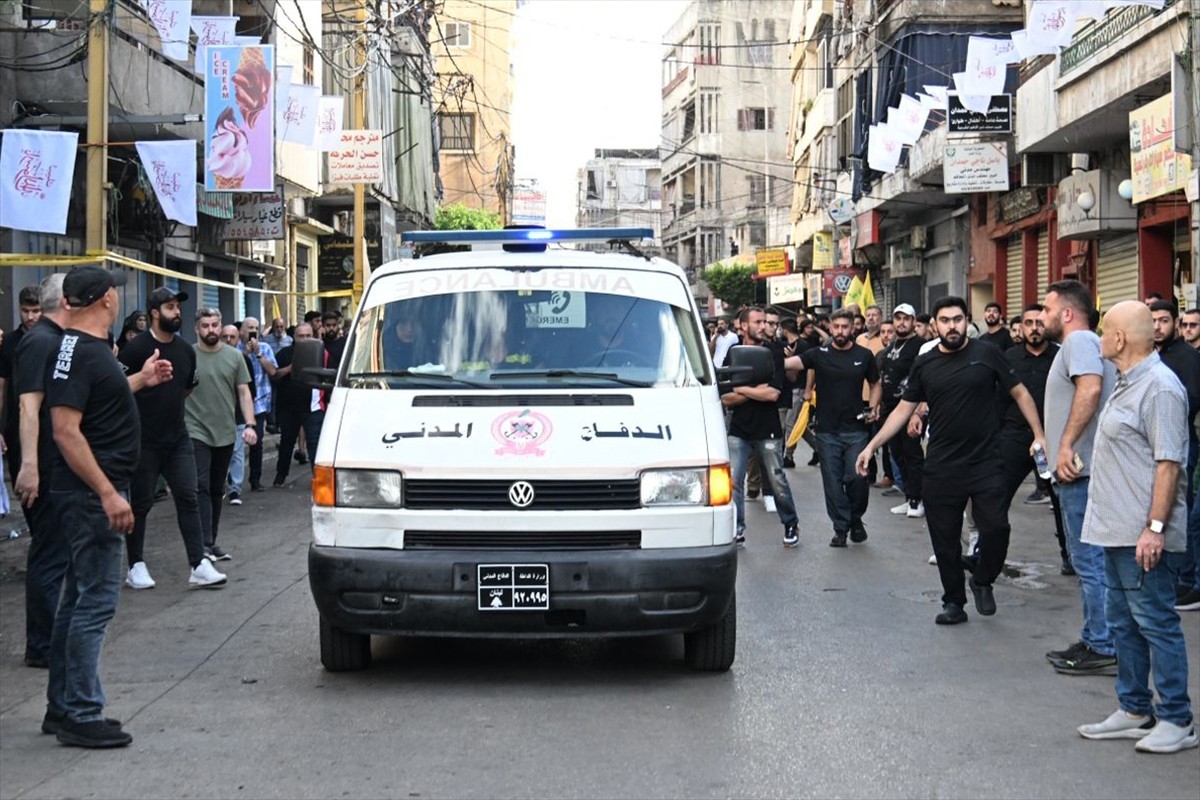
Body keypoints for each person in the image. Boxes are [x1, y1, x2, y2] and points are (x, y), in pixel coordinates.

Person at [855, 296, 1046, 625]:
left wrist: (1039, 434)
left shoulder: (987, 354)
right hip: (943, 464)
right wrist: (872, 445)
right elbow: (903, 407)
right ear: (935, 326)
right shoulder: (926, 363)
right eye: (945, 321)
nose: (952, 326)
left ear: (966, 321)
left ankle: (982, 578)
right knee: (944, 538)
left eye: (957, 319)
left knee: (997, 528)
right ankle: (953, 601)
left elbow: (1020, 392)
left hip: (987, 461)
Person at [44, 265, 170, 748]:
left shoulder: (82, 351)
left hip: (85, 491)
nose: (118, 297)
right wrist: (107, 492)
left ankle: (63, 705)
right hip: (90, 494)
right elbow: (65, 430)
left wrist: (140, 380)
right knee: (94, 603)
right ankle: (80, 711)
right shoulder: (83, 354)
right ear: (104, 301)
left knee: (77, 600)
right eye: (114, 290)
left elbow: (94, 403)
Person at [1076, 300, 1197, 754]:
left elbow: (1170, 464)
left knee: (1155, 623)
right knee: (1124, 624)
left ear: (1120, 339)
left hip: (1141, 535)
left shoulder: (1161, 388)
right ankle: (1133, 709)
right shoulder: (1128, 382)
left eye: (1105, 330)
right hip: (1114, 530)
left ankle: (1177, 719)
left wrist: (1155, 527)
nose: (1100, 337)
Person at [118, 287, 226, 589]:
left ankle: (198, 564)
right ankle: (135, 565)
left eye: (177, 307)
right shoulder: (136, 349)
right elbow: (115, 388)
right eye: (169, 307)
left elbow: (188, 387)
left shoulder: (185, 351)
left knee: (189, 497)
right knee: (140, 504)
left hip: (177, 438)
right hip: (142, 440)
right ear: (154, 313)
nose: (176, 312)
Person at [1040, 280, 1119, 675]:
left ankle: (1102, 644)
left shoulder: (1079, 342)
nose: (1042, 317)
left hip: (1081, 472)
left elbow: (1090, 389)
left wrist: (1066, 446)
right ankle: (1095, 636)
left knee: (1090, 562)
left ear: (1067, 314)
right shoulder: (1080, 344)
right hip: (1079, 472)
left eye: (1048, 310)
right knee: (1089, 561)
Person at [12, 276, 71, 669]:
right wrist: (29, 466)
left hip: (55, 464)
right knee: (49, 555)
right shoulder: (40, 341)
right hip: (45, 467)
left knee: (56, 554)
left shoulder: (55, 341)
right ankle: (42, 644)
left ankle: (49, 639)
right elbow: (27, 407)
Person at [789, 310, 880, 547]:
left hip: (857, 430)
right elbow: (793, 363)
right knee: (832, 481)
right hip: (827, 430)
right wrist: (767, 357)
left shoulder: (864, 355)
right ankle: (841, 528)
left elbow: (875, 383)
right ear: (830, 328)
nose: (840, 331)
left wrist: (873, 406)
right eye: (836, 326)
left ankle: (856, 518)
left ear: (853, 328)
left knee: (857, 478)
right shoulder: (819, 354)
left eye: (845, 327)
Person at [998, 305, 1071, 578]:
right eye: (1028, 323)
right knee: (997, 496)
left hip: (1055, 439)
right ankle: (991, 554)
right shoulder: (1009, 357)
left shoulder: (1061, 357)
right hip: (1015, 437)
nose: (1034, 328)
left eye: (1039, 323)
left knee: (1062, 500)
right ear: (1021, 327)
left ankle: (1070, 555)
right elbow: (998, 399)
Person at [722, 306, 801, 547]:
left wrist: (742, 389)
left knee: (777, 480)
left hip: (768, 429)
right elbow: (725, 398)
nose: (763, 325)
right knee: (734, 483)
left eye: (765, 321)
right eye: (757, 322)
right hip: (739, 429)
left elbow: (773, 394)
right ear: (743, 326)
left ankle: (790, 522)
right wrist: (755, 390)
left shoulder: (774, 352)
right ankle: (737, 529)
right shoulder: (734, 353)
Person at [186, 309, 258, 559]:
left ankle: (211, 541)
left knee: (217, 489)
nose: (211, 330)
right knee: (201, 485)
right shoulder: (188, 355)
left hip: (225, 431)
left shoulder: (234, 357)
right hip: (194, 430)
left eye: (215, 325)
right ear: (197, 329)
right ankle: (203, 543)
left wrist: (250, 424)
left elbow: (244, 393)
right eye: (205, 326)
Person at [1148, 300, 1200, 610]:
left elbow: (1191, 399)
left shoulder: (1186, 357)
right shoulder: (1154, 354)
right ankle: (1182, 577)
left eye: (1164, 320)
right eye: (1152, 320)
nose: (1157, 326)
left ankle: (1188, 579)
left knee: (1183, 510)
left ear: (1175, 323)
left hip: (1181, 441)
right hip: (1155, 443)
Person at [879, 304, 925, 519]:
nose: (901, 323)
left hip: (910, 410)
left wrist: (918, 411)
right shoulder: (889, 349)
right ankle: (909, 497)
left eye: (906, 318)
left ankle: (917, 499)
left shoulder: (921, 347)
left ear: (914, 321)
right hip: (889, 410)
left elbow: (925, 380)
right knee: (897, 454)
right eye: (898, 318)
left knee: (912, 454)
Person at [1, 285, 43, 496]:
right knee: (23, 487)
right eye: (26, 310)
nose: (30, 316)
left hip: (48, 421)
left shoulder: (55, 339)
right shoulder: (7, 343)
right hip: (16, 424)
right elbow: (1, 386)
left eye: (35, 311)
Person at [271, 324, 325, 487]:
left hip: (313, 406)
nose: (305, 339)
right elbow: (275, 375)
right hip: (289, 407)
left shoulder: (320, 352)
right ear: (294, 337)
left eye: (308, 335)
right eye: (301, 336)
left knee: (315, 443)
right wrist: (290, 369)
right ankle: (281, 475)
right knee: (286, 442)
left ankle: (318, 478)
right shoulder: (284, 354)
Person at [236, 317, 277, 494]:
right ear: (242, 331)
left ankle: (255, 479)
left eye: (256, 328)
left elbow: (273, 371)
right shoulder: (235, 350)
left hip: (259, 403)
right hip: (238, 404)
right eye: (249, 328)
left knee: (257, 442)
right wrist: (245, 354)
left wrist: (259, 354)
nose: (253, 331)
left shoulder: (265, 348)